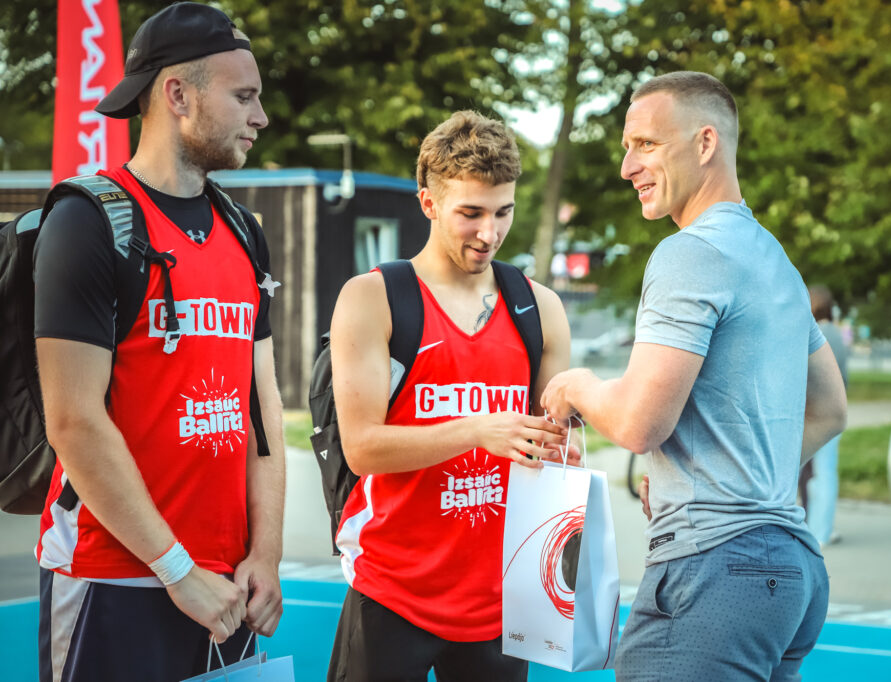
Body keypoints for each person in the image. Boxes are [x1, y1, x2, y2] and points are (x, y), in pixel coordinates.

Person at [541, 71, 847, 680]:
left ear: (705, 143)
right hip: (790, 570)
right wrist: (729, 474)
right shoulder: (775, 259)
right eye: (626, 148)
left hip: (715, 572)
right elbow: (831, 409)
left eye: (646, 145)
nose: (627, 167)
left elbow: (638, 425)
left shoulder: (688, 253)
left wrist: (577, 385)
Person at [33, 4, 285, 681]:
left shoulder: (244, 231)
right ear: (177, 94)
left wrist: (266, 552)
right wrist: (176, 569)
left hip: (228, 585)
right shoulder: (88, 221)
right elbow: (73, 421)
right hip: (114, 576)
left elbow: (262, 409)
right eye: (244, 96)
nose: (261, 117)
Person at [325, 110, 573, 681]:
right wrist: (479, 429)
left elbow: (551, 448)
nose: (489, 233)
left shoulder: (540, 308)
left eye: (503, 212)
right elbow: (361, 449)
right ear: (429, 203)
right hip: (392, 591)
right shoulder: (373, 298)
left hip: (500, 600)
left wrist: (565, 447)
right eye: (471, 213)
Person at [803, 285, 850, 546]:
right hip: (835, 409)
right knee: (826, 472)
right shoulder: (837, 333)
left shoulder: (816, 333)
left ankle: (817, 531)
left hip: (815, 411)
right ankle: (823, 528)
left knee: (815, 473)